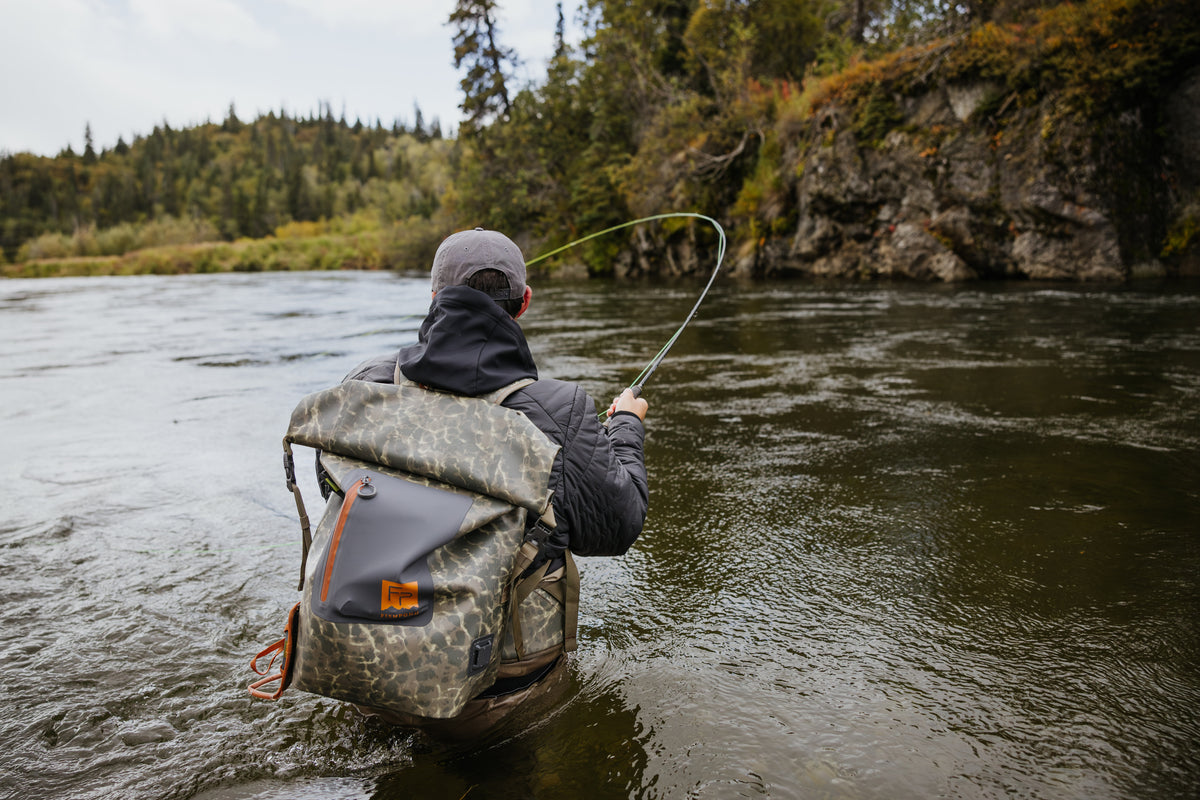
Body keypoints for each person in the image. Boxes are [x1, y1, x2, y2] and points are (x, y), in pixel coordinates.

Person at [343, 227, 649, 736]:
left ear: (435, 298)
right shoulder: (558, 412)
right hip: (496, 698)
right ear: (523, 303)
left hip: (372, 669)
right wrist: (625, 427)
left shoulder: (366, 385)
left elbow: (338, 491)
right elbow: (617, 527)